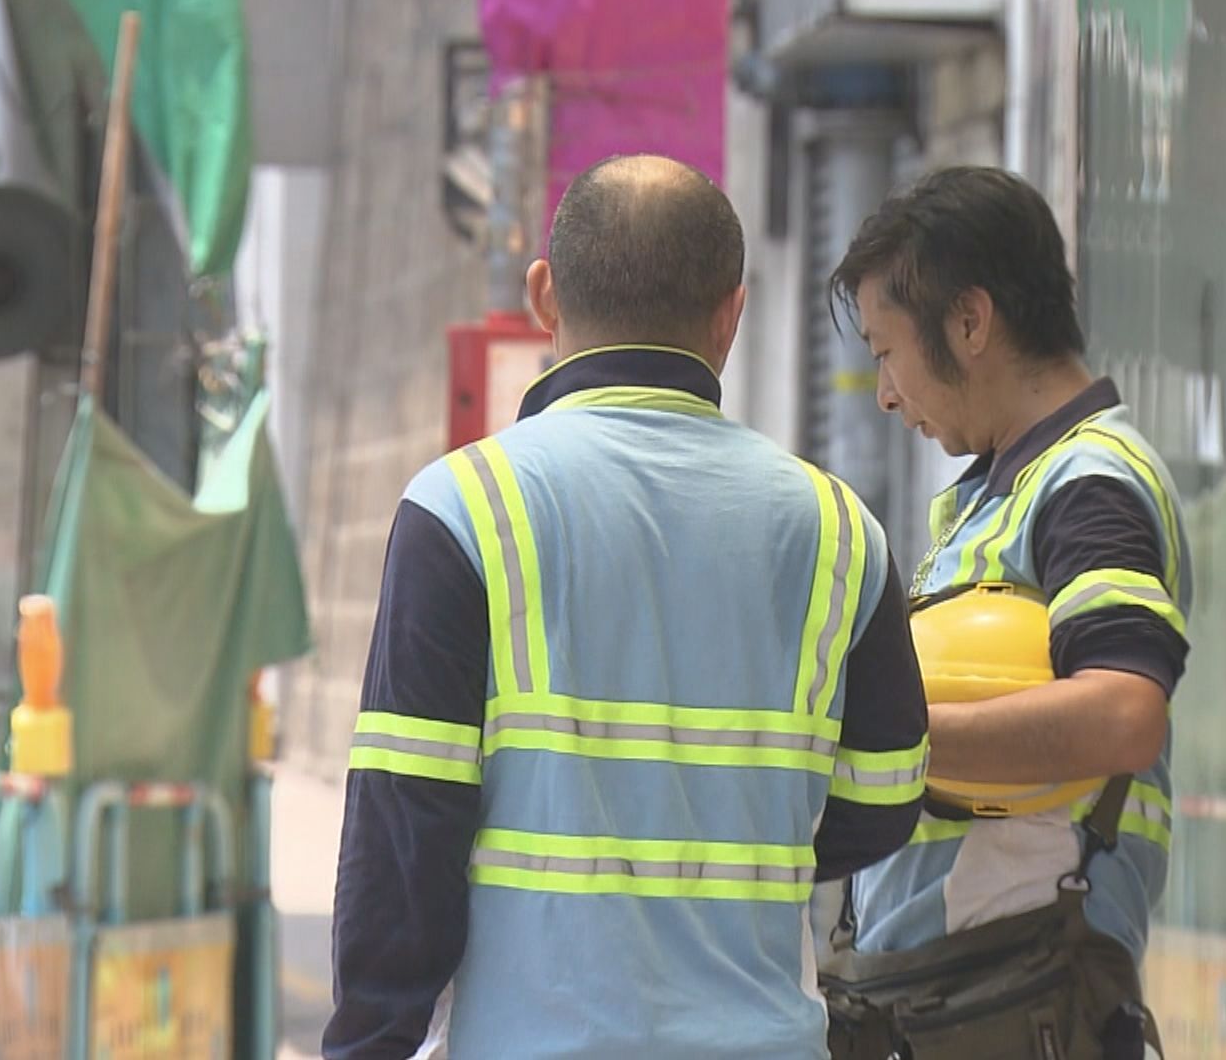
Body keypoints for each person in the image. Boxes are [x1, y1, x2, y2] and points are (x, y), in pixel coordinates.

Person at [323, 154, 931, 1060]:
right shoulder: (841, 529)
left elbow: (404, 836)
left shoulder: (464, 511)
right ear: (731, 315)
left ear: (544, 295)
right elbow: (884, 800)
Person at [820, 166, 1190, 1058]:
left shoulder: (1088, 482)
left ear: (970, 322)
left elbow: (1124, 712)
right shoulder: (1006, 491)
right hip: (957, 995)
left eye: (886, 351)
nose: (886, 393)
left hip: (1020, 995)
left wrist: (887, 738)